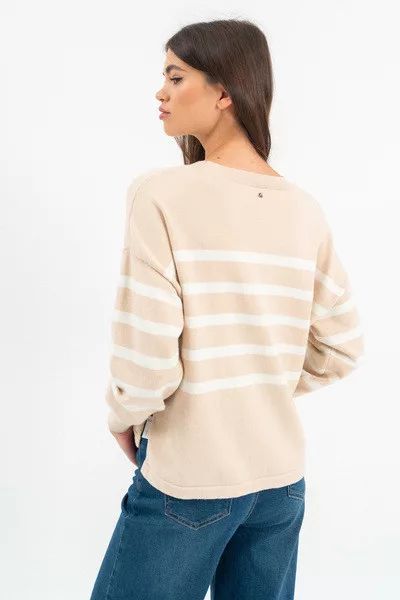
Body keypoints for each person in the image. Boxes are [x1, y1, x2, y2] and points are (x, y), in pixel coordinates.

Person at [90, 18, 365, 600]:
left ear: (224, 92)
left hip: (189, 479)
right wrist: (256, 386)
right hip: (281, 485)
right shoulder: (304, 209)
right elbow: (342, 346)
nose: (160, 93)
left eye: (175, 77)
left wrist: (123, 415)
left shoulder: (162, 194)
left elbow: (147, 360)